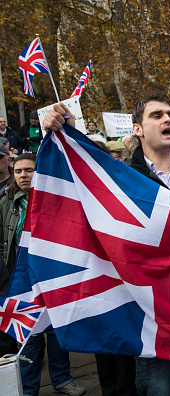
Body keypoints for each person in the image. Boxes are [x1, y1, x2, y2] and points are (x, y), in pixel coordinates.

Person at [43, 93, 170, 396]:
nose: (168, 120)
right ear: (137, 129)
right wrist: (60, 133)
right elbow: (78, 198)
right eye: (157, 115)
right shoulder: (122, 180)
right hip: (151, 319)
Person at [0, 153, 86, 396]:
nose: (24, 175)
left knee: (57, 330)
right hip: (21, 279)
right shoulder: (6, 203)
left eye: (29, 170)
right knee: (27, 334)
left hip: (52, 274)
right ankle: (28, 388)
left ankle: (61, 379)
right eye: (18, 172)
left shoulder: (55, 198)